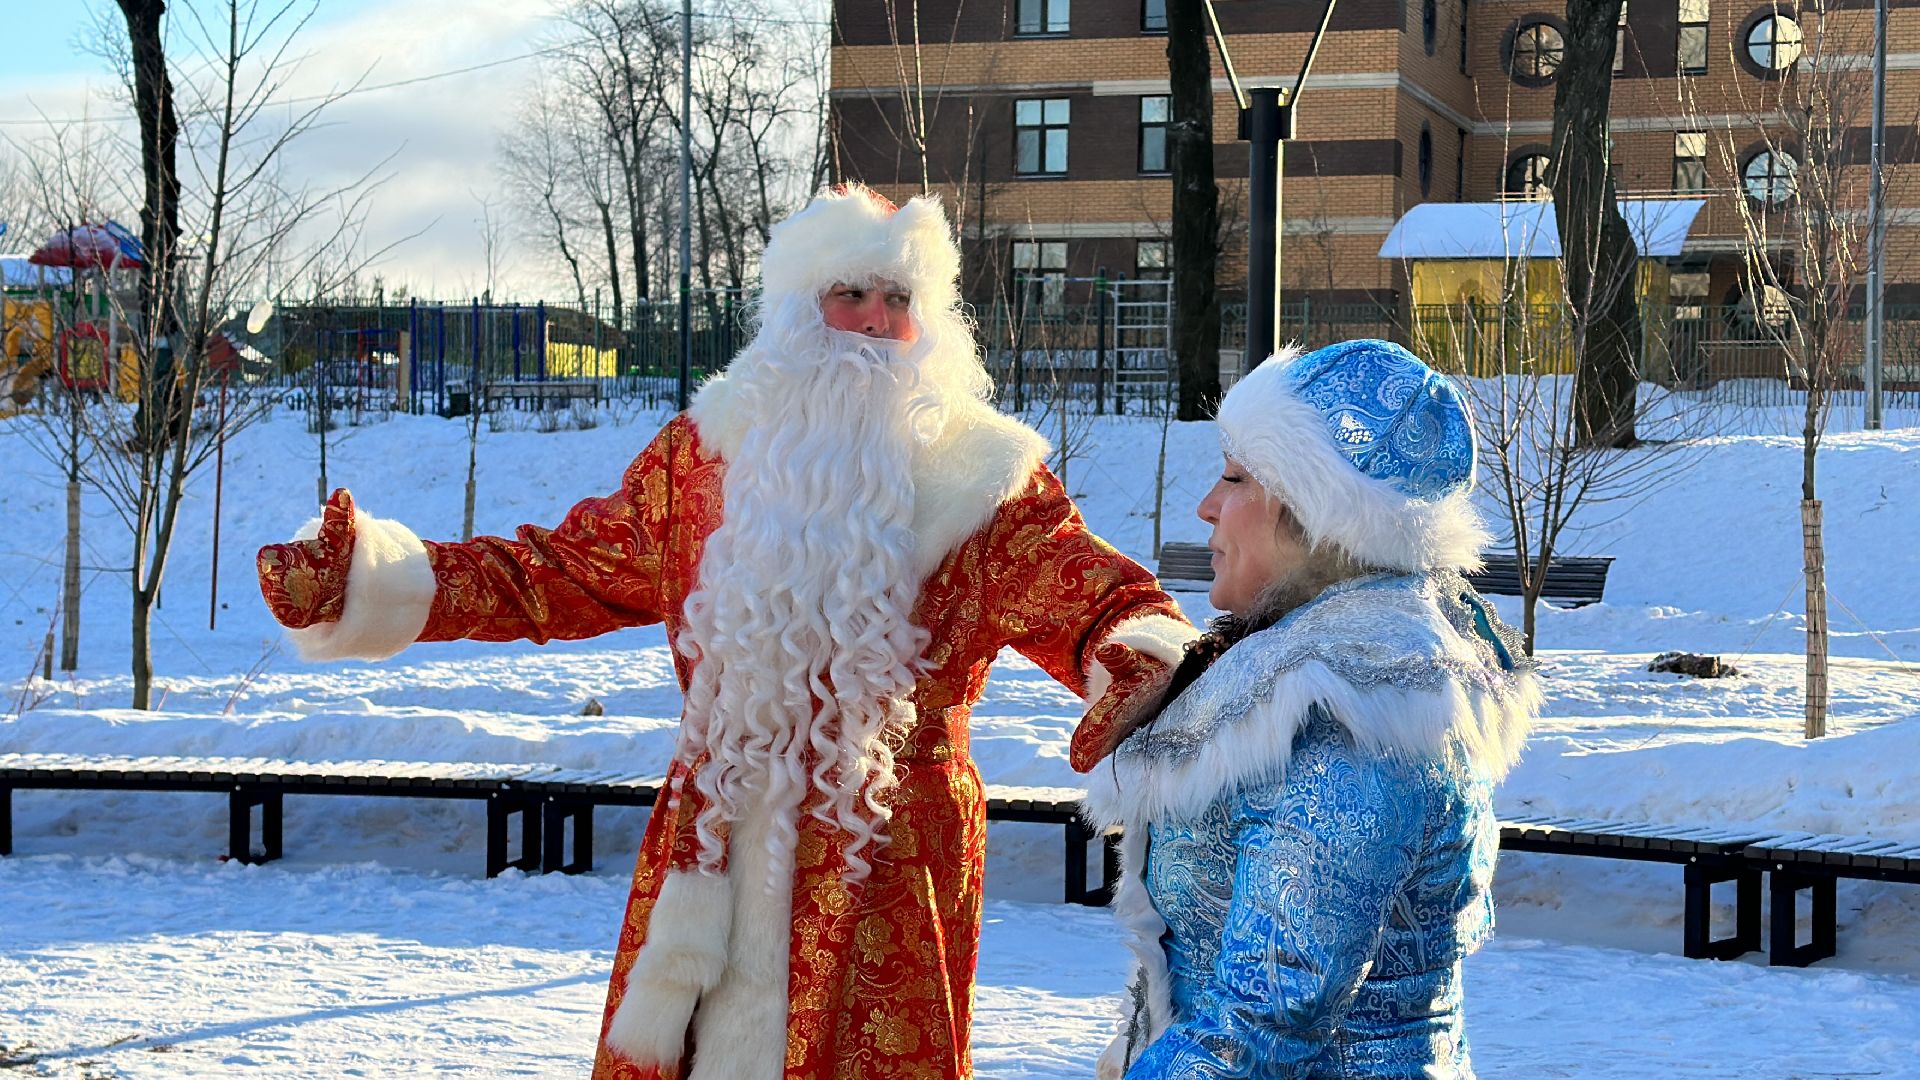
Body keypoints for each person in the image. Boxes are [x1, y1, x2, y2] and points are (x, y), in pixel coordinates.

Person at [253, 184, 1195, 1080]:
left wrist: (1134, 652)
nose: (875, 321)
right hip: (715, 835)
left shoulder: (987, 484)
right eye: (849, 294)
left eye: (899, 299)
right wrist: (378, 580)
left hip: (889, 853)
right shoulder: (697, 465)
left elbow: (1089, 593)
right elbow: (556, 573)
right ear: (795, 314)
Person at [1083, 339, 1541, 1078]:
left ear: (1315, 519)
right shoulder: (1327, 670)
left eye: (1236, 478)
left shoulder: (1352, 714)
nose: (1207, 505)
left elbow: (1263, 1021)